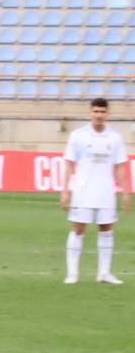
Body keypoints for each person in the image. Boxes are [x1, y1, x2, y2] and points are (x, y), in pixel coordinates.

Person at [61, 97, 129, 284]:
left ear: (108, 114)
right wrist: (65, 191)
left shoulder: (114, 137)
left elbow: (120, 166)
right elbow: (69, 164)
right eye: (96, 111)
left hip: (106, 192)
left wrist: (125, 192)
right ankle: (72, 273)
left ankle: (104, 273)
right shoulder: (78, 135)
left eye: (102, 112)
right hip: (83, 192)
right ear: (90, 112)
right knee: (78, 229)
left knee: (106, 229)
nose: (99, 115)